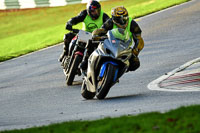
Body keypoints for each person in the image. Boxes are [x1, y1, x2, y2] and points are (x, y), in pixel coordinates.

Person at [80, 6, 144, 72]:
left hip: (124, 47)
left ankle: (119, 71)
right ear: (113, 18)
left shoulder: (132, 24)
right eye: (119, 19)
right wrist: (96, 35)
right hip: (110, 43)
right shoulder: (110, 22)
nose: (122, 21)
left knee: (135, 64)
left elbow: (139, 40)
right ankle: (86, 60)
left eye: (125, 18)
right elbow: (101, 30)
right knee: (92, 41)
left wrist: (135, 52)